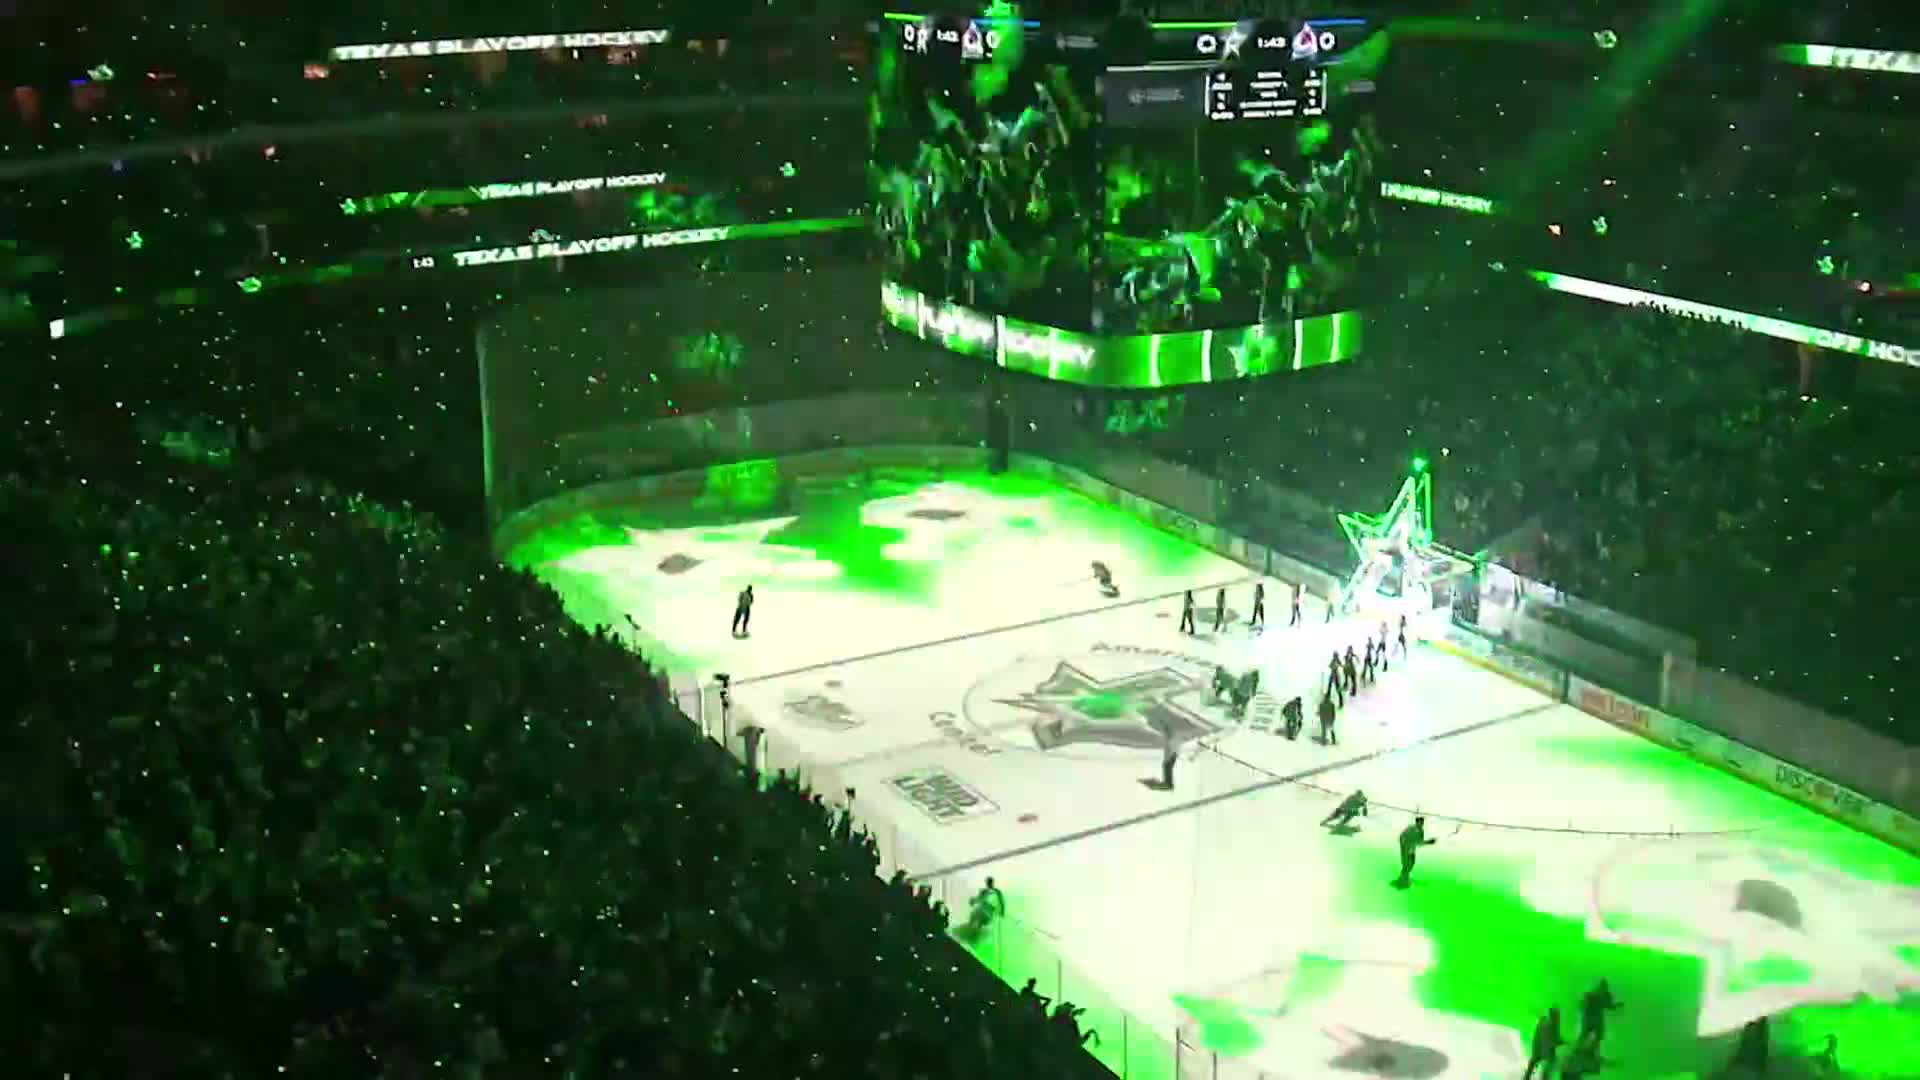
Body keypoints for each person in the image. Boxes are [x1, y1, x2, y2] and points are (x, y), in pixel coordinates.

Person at [1524, 1005, 1564, 1080]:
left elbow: (1555, 1037)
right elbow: (1553, 1038)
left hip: (1539, 1049)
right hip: (1543, 1049)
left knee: (1534, 1064)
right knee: (1545, 1067)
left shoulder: (1546, 1022)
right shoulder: (1549, 1025)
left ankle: (1527, 1077)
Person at [1395, 815, 1436, 888]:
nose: (1422, 824)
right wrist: (1403, 845)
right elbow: (1401, 837)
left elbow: (1419, 843)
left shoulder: (1421, 831)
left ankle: (1404, 878)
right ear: (1417, 822)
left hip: (1411, 850)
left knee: (1411, 864)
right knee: (1406, 865)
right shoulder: (1410, 828)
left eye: (1423, 822)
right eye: (1421, 822)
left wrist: (1428, 842)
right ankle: (1403, 880)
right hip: (1405, 849)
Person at [1579, 978, 1620, 1049]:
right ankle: (1580, 1048)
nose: (1603, 989)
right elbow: (1584, 1004)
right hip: (1590, 1017)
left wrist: (1616, 1005)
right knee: (1586, 1034)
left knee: (1597, 1036)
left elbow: (1609, 1006)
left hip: (1596, 1018)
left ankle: (1594, 1052)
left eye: (1604, 987)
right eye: (1602, 986)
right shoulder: (1593, 994)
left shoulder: (1605, 995)